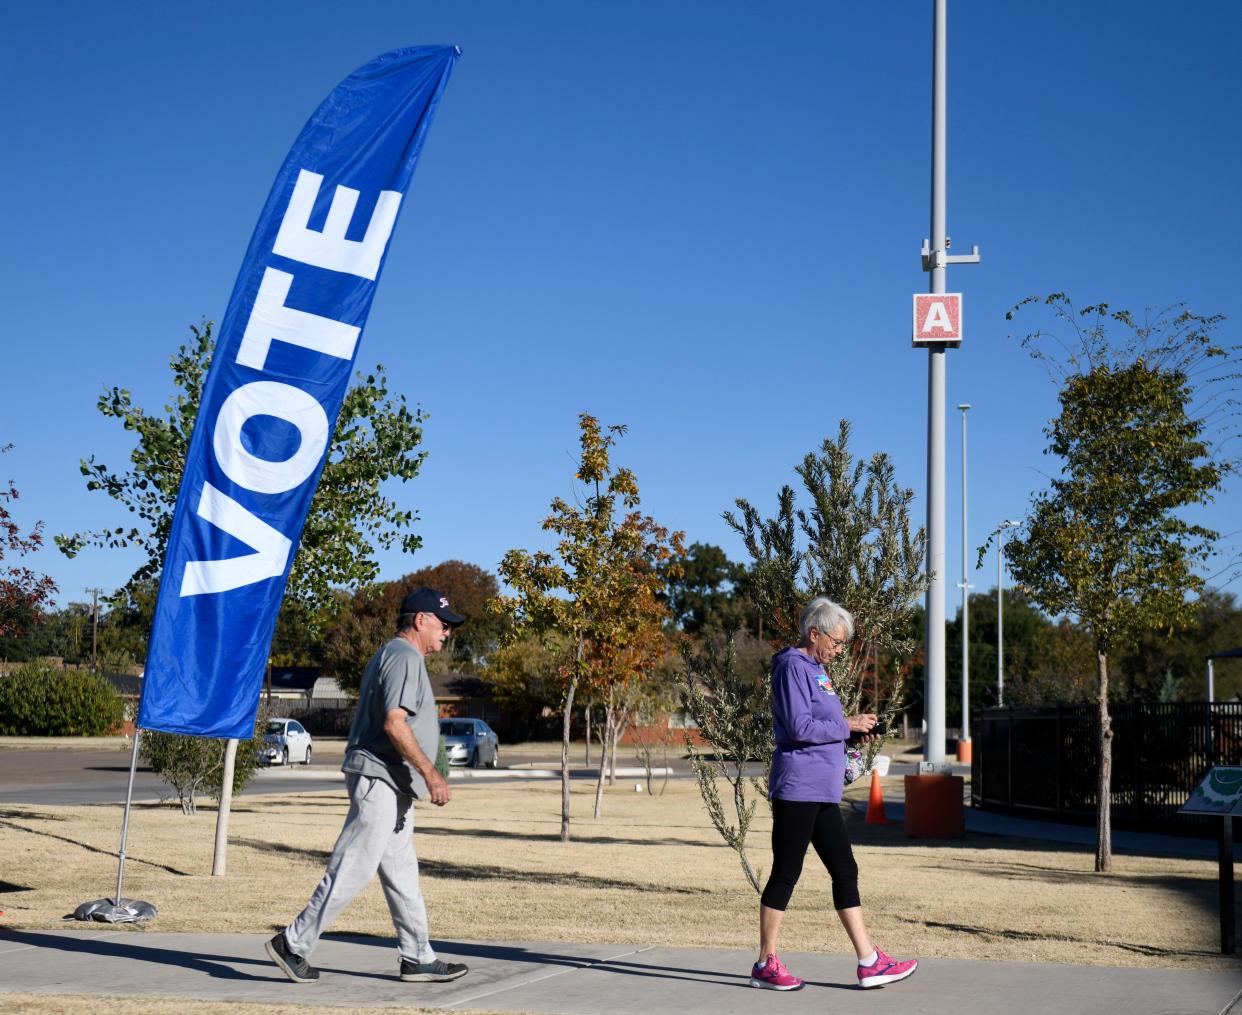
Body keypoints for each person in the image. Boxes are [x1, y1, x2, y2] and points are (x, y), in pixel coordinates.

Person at [266, 587, 469, 986]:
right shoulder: (405, 656)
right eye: (443, 625)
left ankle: (417, 957)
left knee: (402, 872)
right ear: (420, 620)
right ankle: (294, 943)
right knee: (353, 866)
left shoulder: (397, 655)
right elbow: (395, 723)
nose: (447, 633)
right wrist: (431, 773)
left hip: (392, 783)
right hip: (380, 777)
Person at [750, 596, 918, 992]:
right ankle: (765, 963)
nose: (840, 650)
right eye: (837, 642)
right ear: (814, 633)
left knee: (845, 870)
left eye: (843, 644)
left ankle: (870, 962)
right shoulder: (793, 665)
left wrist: (855, 730)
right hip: (798, 788)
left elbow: (824, 725)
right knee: (786, 873)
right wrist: (847, 723)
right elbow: (798, 727)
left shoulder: (818, 671)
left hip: (822, 790)